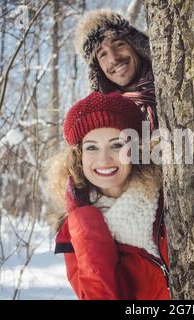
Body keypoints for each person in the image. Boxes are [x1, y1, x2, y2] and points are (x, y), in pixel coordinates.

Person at [47, 91, 169, 300]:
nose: (104, 159)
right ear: (79, 156)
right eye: (92, 147)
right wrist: (85, 223)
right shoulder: (73, 231)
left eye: (116, 145)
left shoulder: (167, 198)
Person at [75, 9, 158, 131]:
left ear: (136, 45)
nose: (114, 58)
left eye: (119, 44)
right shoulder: (106, 119)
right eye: (103, 54)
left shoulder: (174, 79)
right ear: (98, 70)